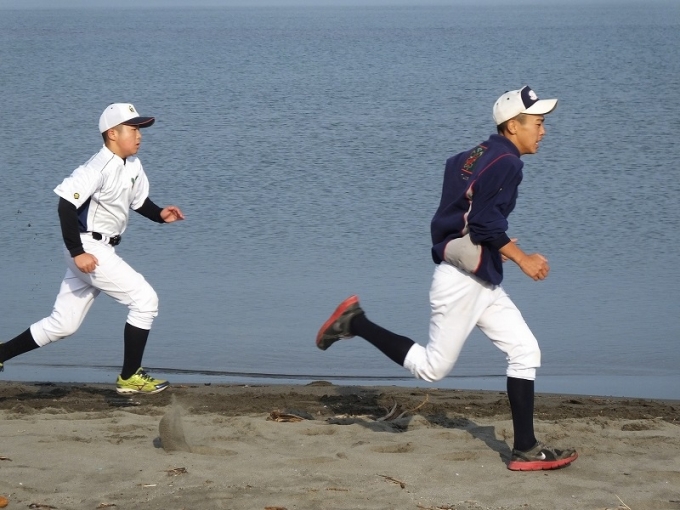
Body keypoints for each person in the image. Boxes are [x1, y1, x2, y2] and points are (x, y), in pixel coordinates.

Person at [316, 86, 578, 471]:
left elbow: (465, 211)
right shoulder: (508, 163)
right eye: (537, 123)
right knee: (432, 368)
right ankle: (355, 322)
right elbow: (485, 223)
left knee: (525, 350)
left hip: (477, 276)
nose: (543, 131)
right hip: (462, 282)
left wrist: (482, 242)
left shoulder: (472, 155)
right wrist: (521, 258)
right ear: (512, 125)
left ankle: (525, 448)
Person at [0, 103, 184, 395]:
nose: (139, 135)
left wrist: (160, 215)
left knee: (63, 324)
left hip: (99, 249)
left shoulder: (133, 165)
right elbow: (65, 205)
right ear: (112, 133)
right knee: (145, 300)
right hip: (88, 248)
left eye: (140, 129)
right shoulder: (96, 168)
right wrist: (77, 252)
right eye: (133, 129)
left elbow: (138, 202)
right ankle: (130, 377)